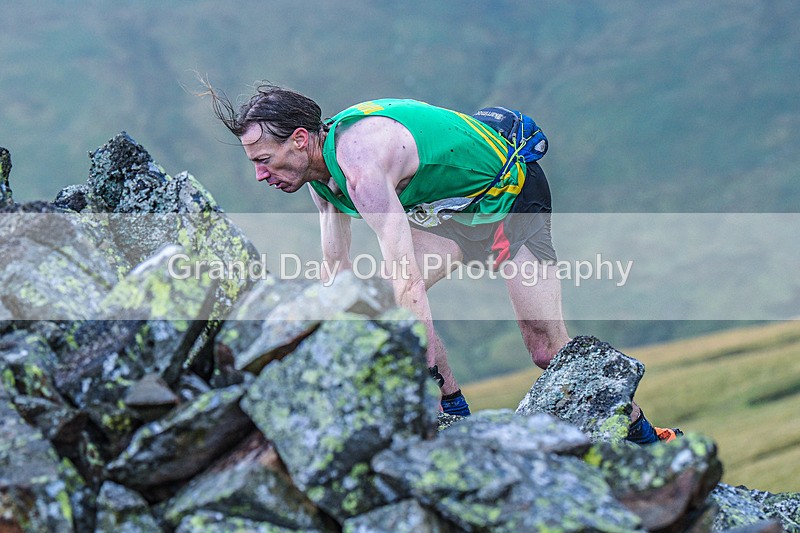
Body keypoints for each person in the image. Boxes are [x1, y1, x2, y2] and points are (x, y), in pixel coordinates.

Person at [207, 82, 680, 444]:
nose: (259, 174)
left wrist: (413, 357)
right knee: (381, 303)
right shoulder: (321, 180)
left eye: (265, 159)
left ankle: (646, 437)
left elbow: (405, 274)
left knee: (547, 352)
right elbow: (337, 274)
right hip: (449, 216)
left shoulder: (360, 168)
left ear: (300, 139)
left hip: (509, 198)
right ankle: (453, 408)